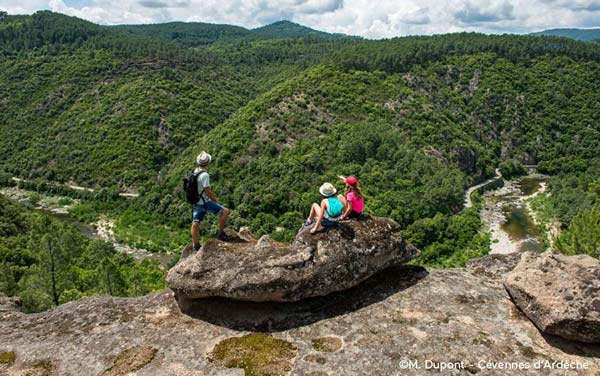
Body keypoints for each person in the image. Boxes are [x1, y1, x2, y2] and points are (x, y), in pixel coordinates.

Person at [191, 151, 233, 251]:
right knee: (225, 211)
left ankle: (195, 245)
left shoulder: (195, 171)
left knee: (195, 223)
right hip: (204, 202)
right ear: (208, 163)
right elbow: (207, 190)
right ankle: (220, 234)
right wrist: (215, 200)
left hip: (195, 201)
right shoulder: (205, 175)